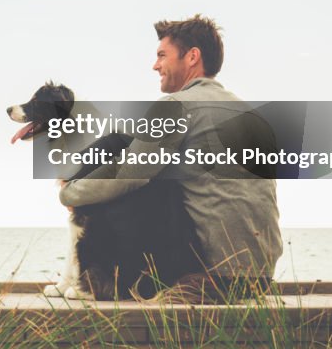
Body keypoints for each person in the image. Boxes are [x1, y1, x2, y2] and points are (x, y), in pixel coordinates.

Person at [59, 15, 283, 301]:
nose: (155, 65)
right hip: (258, 278)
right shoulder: (251, 115)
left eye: (162, 56)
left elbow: (128, 174)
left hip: (209, 274)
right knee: (144, 157)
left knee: (123, 160)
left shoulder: (177, 107)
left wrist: (71, 193)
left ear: (192, 57)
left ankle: (103, 281)